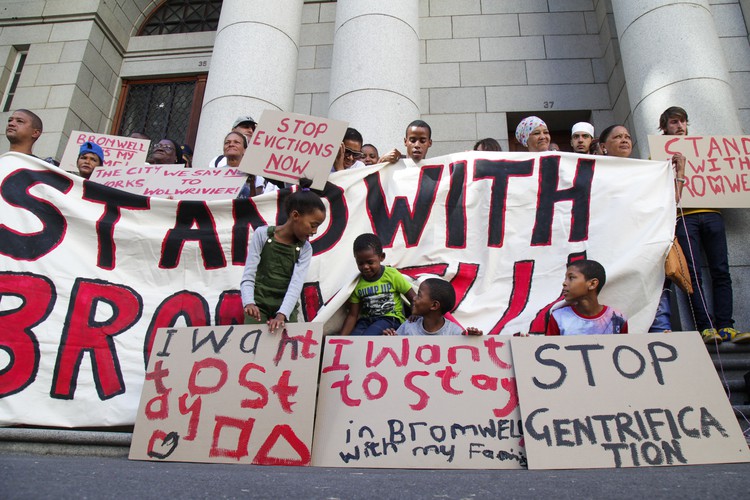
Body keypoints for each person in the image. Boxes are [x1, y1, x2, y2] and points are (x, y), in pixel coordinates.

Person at [661, 106, 749, 344]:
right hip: (683, 219)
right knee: (693, 275)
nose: (680, 127)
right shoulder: (658, 157)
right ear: (664, 128)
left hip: (712, 213)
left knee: (721, 271)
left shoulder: (705, 151)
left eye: (683, 122)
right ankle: (705, 327)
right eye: (674, 123)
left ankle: (726, 325)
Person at [240, 179, 326, 332]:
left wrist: (282, 314)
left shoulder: (305, 248)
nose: (314, 232)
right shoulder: (262, 235)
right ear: (295, 215)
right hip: (258, 305)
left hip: (286, 307)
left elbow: (295, 285)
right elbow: (248, 275)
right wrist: (249, 303)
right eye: (313, 225)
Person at [339, 233, 416, 336]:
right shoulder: (357, 282)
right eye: (360, 263)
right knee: (354, 339)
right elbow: (353, 315)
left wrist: (416, 314)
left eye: (370, 262)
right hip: (366, 321)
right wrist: (341, 339)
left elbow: (413, 298)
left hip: (390, 319)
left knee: (368, 336)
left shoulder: (392, 275)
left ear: (381, 257)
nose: (365, 267)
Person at [546, 260, 628, 335]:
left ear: (592, 284)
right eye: (565, 278)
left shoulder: (617, 318)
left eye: (571, 278)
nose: (564, 283)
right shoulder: (559, 318)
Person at [384, 278, 482, 336]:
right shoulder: (408, 327)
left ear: (434, 305)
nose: (414, 298)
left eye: (419, 295)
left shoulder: (453, 332)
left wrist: (472, 340)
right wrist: (391, 341)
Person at [222, 131, 276, 198]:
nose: (231, 144)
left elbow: (257, 200)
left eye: (236, 142)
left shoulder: (254, 173)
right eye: (227, 142)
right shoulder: (214, 175)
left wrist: (252, 183)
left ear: (245, 150)